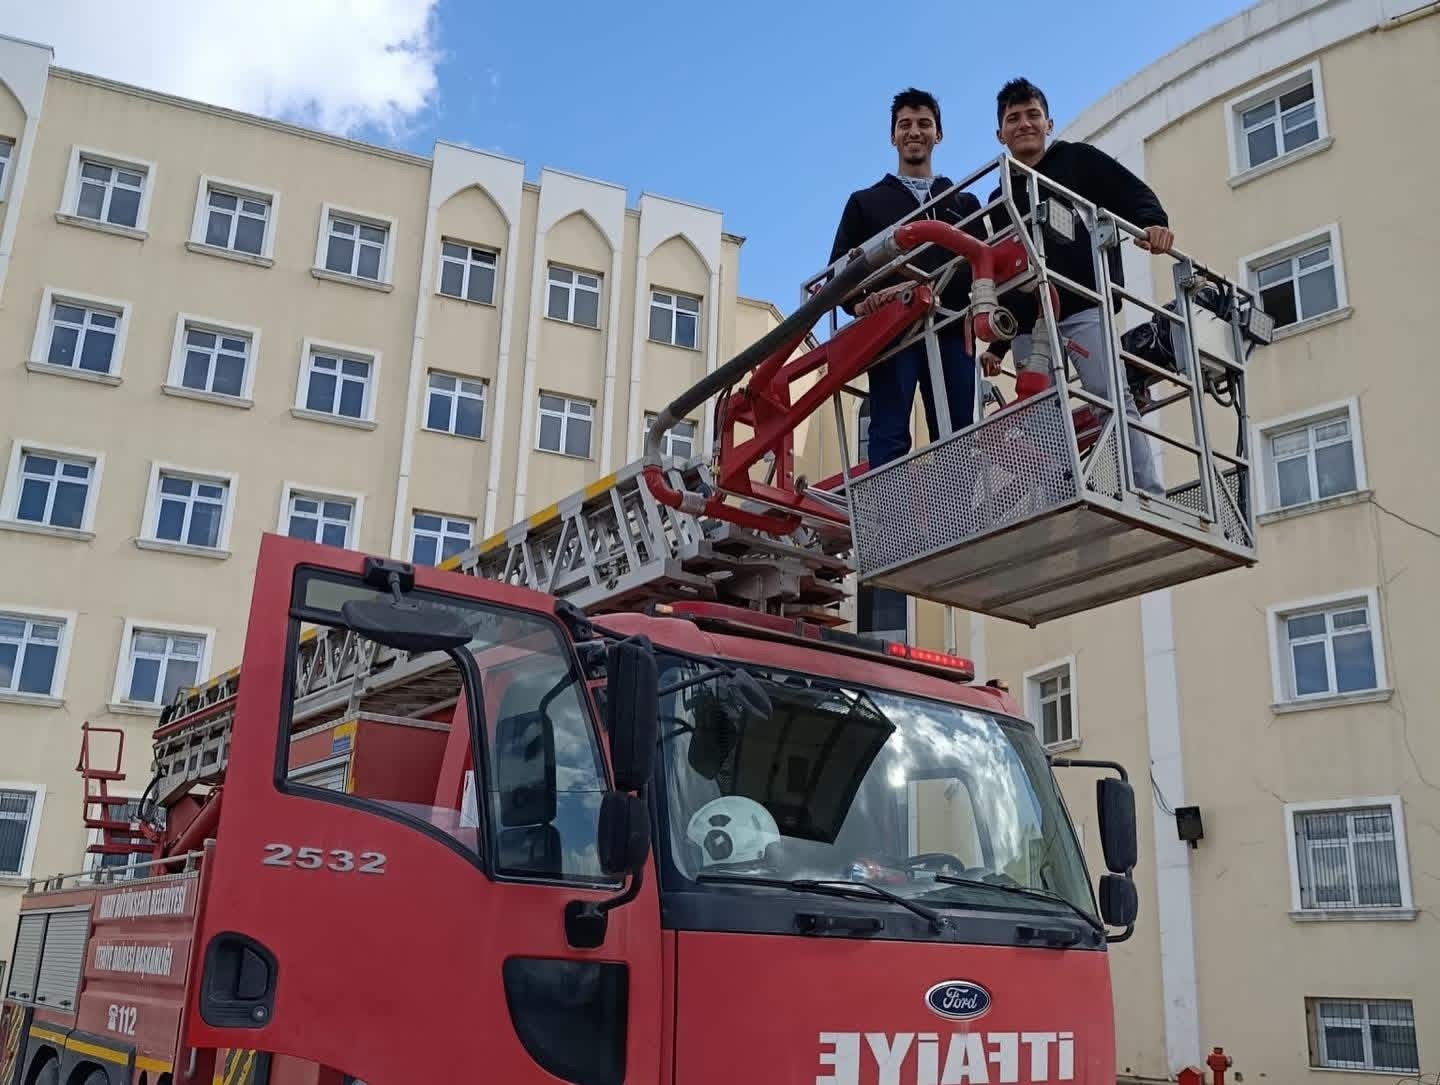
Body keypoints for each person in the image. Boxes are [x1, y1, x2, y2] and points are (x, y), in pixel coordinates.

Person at [980, 77, 1172, 496]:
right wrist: (996, 345)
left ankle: (1145, 491)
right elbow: (1002, 268)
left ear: (1049, 123)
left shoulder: (1076, 162)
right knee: (1040, 410)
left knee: (1109, 395)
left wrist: (1152, 222)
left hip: (1081, 303)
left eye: (1033, 115)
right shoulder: (999, 197)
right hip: (1030, 321)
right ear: (1000, 134)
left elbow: (1130, 191)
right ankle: (1057, 494)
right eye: (1013, 118)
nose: (1024, 124)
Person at [828, 87, 987, 471]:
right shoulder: (865, 202)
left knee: (958, 431)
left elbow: (984, 262)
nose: (914, 132)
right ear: (892, 136)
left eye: (924, 124)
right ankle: (887, 523)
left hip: (951, 327)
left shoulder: (963, 202)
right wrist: (862, 302)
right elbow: (838, 274)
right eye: (905, 125)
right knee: (889, 430)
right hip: (891, 331)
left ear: (938, 134)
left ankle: (958, 520)